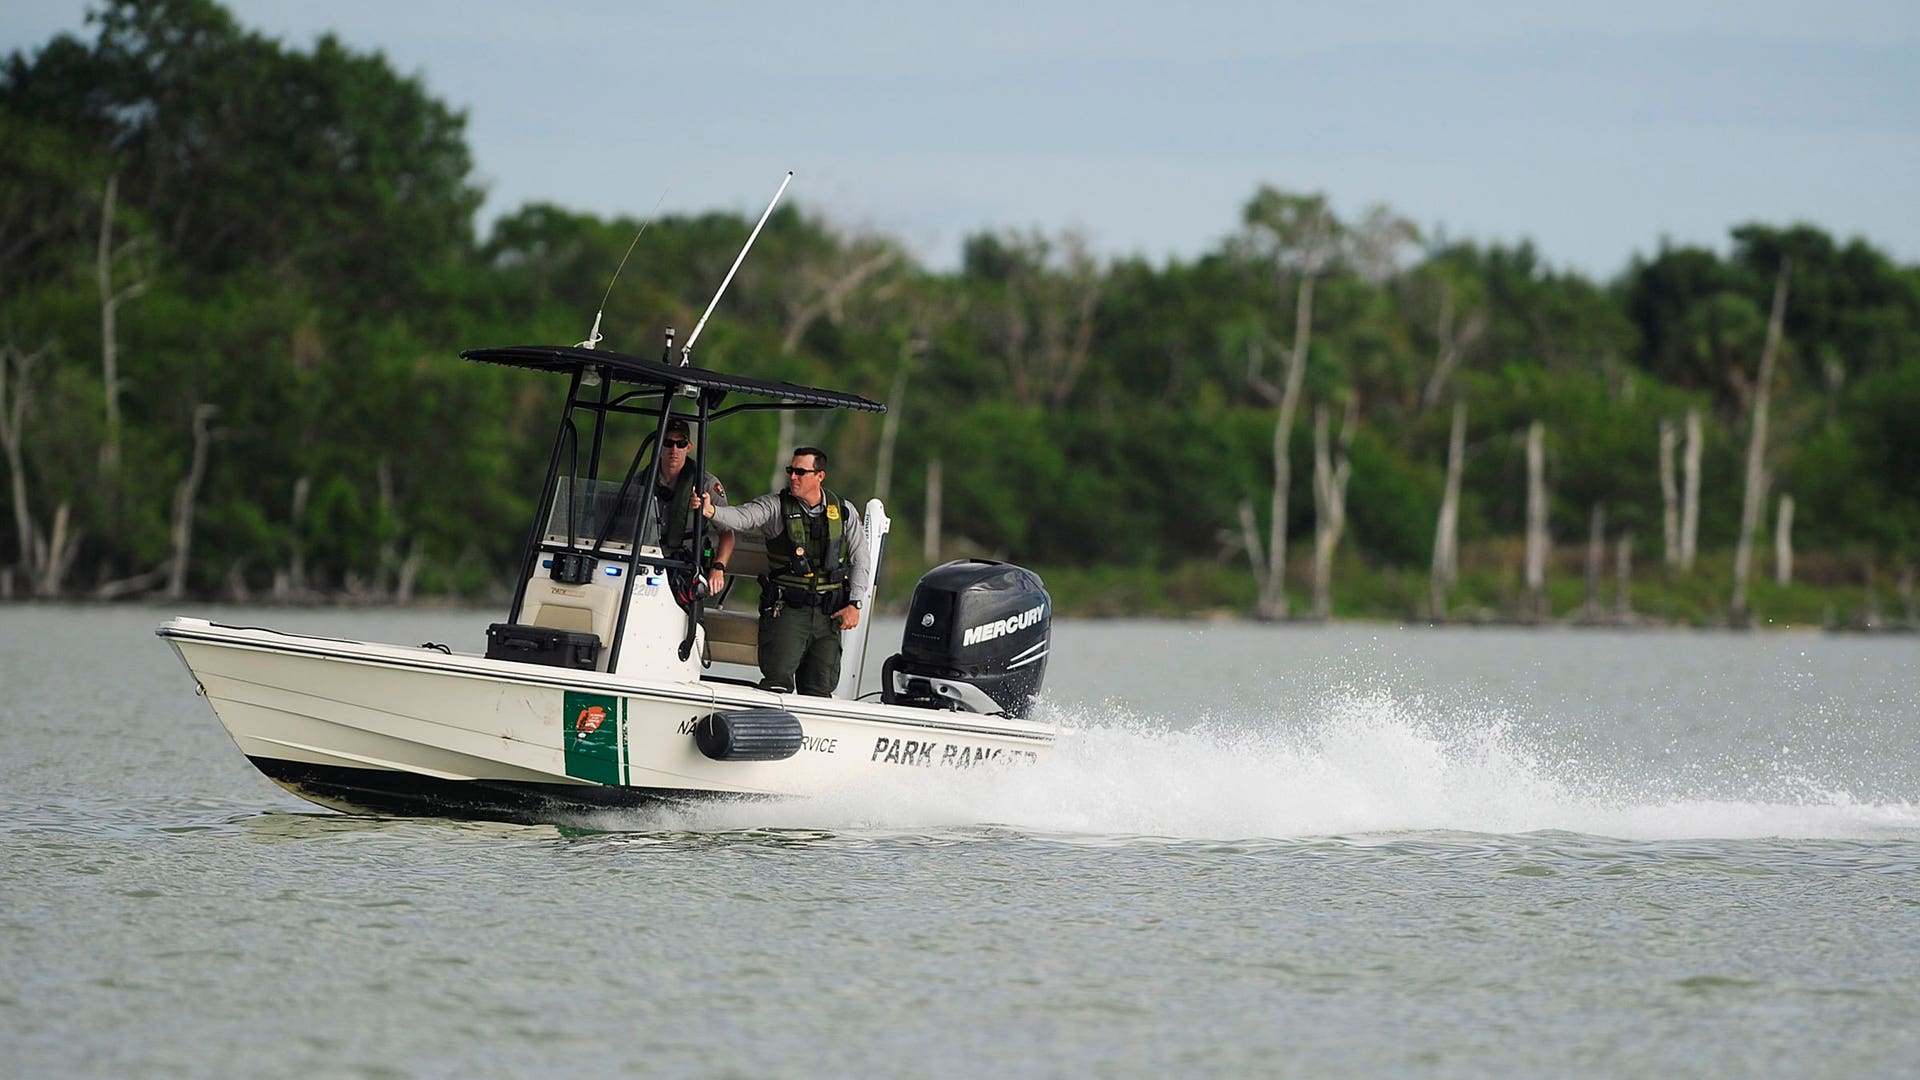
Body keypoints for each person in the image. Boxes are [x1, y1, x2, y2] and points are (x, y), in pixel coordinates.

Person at [696, 446, 871, 696]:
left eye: (801, 472)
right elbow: (743, 517)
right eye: (791, 470)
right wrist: (712, 511)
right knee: (777, 683)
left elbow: (861, 560)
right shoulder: (775, 506)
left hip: (828, 615)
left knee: (820, 688)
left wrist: (855, 603)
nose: (793, 477)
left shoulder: (844, 512)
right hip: (788, 609)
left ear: (819, 476)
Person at [652, 418, 733, 597]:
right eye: (669, 443)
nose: (674, 449)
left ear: (688, 447)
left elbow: (727, 533)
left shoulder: (707, 484)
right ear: (660, 444)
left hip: (687, 568)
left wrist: (718, 567)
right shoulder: (643, 481)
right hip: (648, 563)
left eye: (680, 444)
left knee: (692, 615)